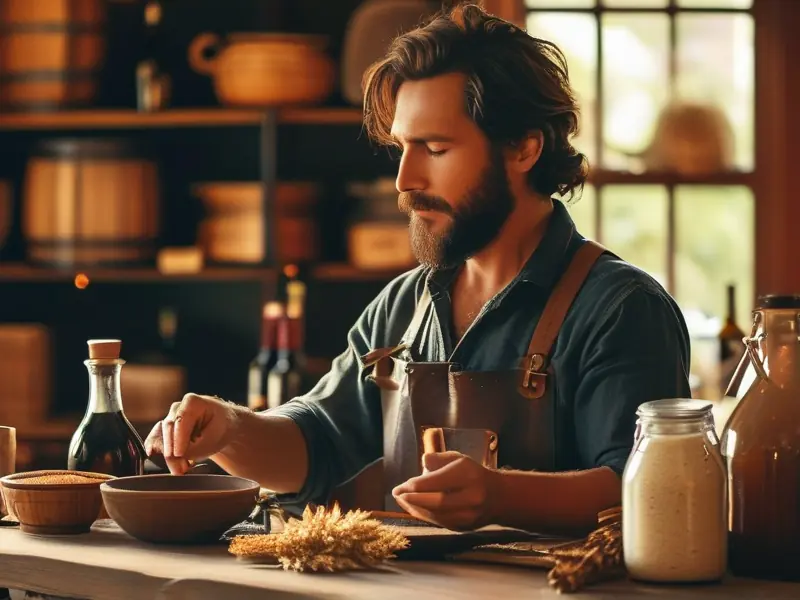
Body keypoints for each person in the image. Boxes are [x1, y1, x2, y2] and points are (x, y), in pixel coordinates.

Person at [145, 4, 690, 536]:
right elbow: (316, 445)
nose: (405, 179)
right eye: (403, 147)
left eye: (435, 147)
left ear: (524, 147)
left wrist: (501, 495)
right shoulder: (404, 305)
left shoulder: (620, 308)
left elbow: (645, 487)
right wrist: (230, 429)